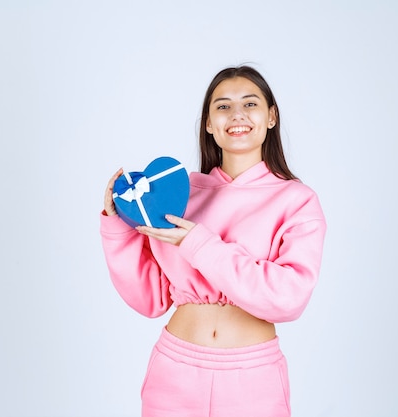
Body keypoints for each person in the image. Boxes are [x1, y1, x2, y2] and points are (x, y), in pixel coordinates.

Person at [100, 65, 327, 417]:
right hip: (174, 373)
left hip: (253, 381)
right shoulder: (178, 194)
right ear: (208, 123)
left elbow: (288, 298)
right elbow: (150, 298)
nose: (236, 115)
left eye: (250, 104)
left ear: (271, 117)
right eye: (222, 106)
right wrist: (119, 227)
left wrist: (201, 245)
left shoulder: (297, 200)